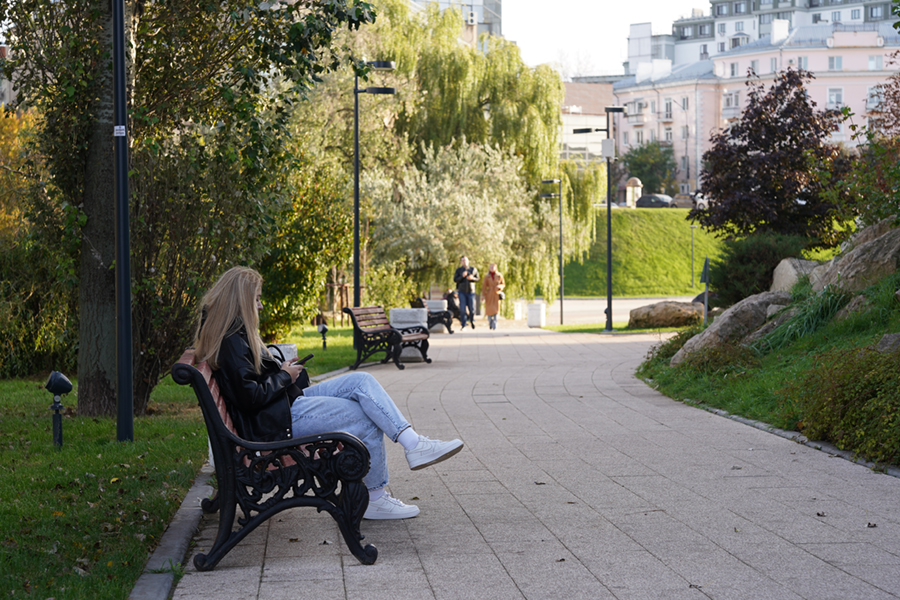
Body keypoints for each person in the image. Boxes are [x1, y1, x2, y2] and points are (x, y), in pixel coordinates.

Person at [192, 267, 463, 520]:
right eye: (257, 300)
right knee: (363, 415)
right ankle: (374, 497)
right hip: (277, 421)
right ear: (240, 301)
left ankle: (414, 444)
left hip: (282, 406)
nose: (261, 306)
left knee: (361, 381)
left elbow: (250, 387)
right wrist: (285, 376)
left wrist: (287, 372)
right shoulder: (232, 341)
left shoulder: (232, 335)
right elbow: (249, 397)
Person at [453, 255, 479, 329]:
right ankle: (463, 324)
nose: (464, 261)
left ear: (468, 261)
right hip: (462, 291)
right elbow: (455, 279)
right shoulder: (458, 270)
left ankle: (472, 321)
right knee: (462, 309)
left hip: (471, 291)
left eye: (465, 260)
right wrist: (462, 276)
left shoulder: (473, 269)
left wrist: (472, 278)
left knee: (472, 308)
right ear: (461, 262)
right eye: (463, 260)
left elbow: (477, 279)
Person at [481, 263, 505, 331]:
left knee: (496, 310)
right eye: (490, 267)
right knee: (488, 311)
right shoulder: (487, 277)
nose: (491, 268)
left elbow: (503, 284)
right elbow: (484, 287)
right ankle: (490, 322)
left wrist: (499, 287)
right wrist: (483, 295)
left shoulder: (499, 276)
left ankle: (495, 323)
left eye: (493, 267)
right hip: (489, 295)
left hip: (496, 294)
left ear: (496, 268)